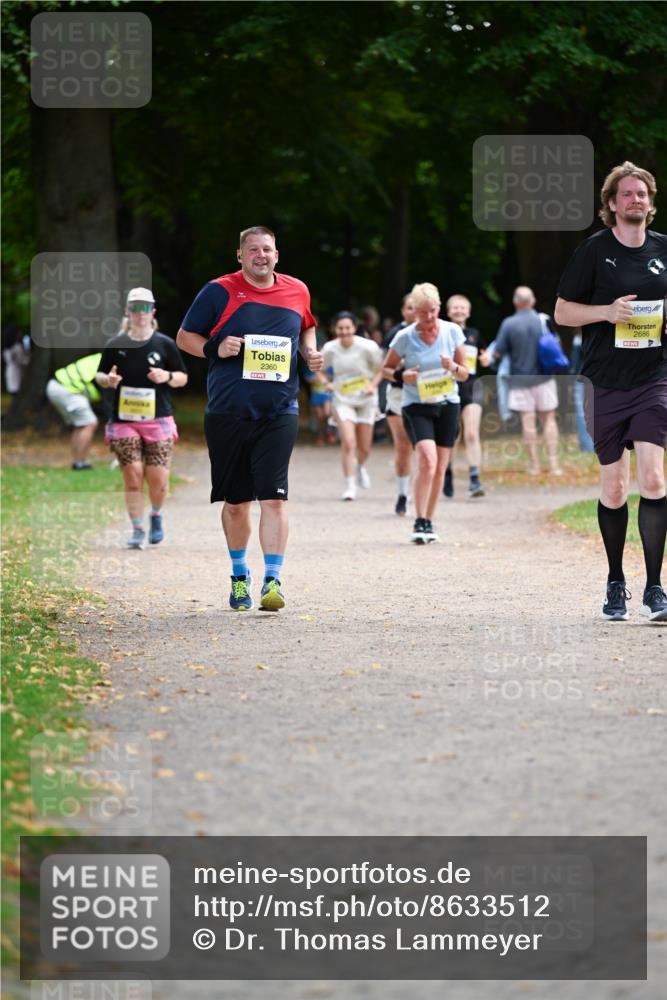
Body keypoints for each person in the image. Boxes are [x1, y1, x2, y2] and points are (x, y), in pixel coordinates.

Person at [176, 226, 323, 612]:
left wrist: (309, 352)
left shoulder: (297, 290)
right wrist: (215, 347)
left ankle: (273, 581)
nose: (261, 255)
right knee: (237, 502)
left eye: (267, 249)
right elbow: (184, 337)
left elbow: (307, 325)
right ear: (240, 256)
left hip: (280, 410)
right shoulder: (219, 291)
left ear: (277, 255)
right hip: (229, 412)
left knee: (274, 498)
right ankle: (239, 575)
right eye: (253, 250)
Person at [555, 161, 667, 622]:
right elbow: (562, 312)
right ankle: (615, 581)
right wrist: (605, 312)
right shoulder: (594, 250)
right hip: (603, 381)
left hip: (654, 378)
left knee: (654, 480)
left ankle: (655, 588)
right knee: (615, 486)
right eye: (626, 194)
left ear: (650, 202)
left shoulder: (664, 249)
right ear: (611, 204)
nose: (635, 199)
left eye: (642, 193)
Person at [96, 288, 188, 549]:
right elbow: (99, 375)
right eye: (135, 307)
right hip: (124, 420)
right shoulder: (116, 344)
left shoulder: (164, 344)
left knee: (158, 480)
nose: (140, 313)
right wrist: (108, 380)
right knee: (133, 475)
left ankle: (156, 514)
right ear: (127, 311)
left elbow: (182, 377)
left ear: (153, 311)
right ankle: (137, 529)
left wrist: (166, 376)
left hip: (158, 419)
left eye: (145, 307)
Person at [384, 282, 468, 543]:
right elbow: (386, 369)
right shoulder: (405, 336)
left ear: (439, 307)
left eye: (433, 311)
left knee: (440, 466)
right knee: (428, 459)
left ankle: (428, 521)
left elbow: (465, 373)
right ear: (413, 311)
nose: (429, 317)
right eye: (423, 312)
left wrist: (453, 367)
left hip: (447, 403)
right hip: (416, 404)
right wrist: (402, 376)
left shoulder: (452, 331)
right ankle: (418, 519)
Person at [494, 286, 562, 477]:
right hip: (545, 378)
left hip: (520, 380)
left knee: (528, 422)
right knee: (549, 419)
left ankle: (534, 465)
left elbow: (498, 351)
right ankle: (554, 465)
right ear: (532, 301)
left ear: (515, 302)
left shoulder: (508, 324)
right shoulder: (543, 320)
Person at [319, 311, 384, 500]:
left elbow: (382, 369)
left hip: (366, 400)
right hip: (343, 399)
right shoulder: (330, 348)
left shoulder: (368, 346)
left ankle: (359, 466)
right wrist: (326, 382)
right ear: (335, 329)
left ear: (354, 328)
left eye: (348, 327)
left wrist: (372, 385)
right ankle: (349, 486)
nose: (344, 331)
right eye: (340, 328)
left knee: (365, 448)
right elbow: (317, 368)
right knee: (348, 442)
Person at [442, 294, 492, 499]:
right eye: (455, 307)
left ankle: (474, 479)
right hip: (448, 387)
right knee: (453, 435)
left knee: (471, 433)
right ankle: (447, 473)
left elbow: (485, 358)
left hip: (471, 387)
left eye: (463, 308)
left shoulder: (474, 334)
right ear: (448, 312)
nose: (459, 311)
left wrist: (487, 359)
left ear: (469, 312)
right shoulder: (442, 332)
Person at [383, 294, 416, 515]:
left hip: (427, 394)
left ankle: (421, 491)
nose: (415, 312)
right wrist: (403, 371)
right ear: (403, 311)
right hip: (399, 394)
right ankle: (403, 494)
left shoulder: (436, 331)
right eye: (410, 307)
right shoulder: (396, 334)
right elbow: (384, 367)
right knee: (403, 446)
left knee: (424, 448)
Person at [46, 352, 101, 469]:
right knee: (90, 423)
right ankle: (79, 462)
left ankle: (78, 460)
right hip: (65, 389)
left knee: (81, 425)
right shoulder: (110, 363)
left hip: (57, 386)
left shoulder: (100, 357)